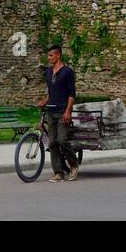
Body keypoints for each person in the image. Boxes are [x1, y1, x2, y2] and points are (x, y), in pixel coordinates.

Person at [36, 44, 78, 182]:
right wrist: (45, 101)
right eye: (48, 56)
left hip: (62, 111)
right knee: (52, 143)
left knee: (62, 140)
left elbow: (72, 94)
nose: (49, 58)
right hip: (51, 111)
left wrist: (68, 111)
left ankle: (73, 164)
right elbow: (51, 92)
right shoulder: (48, 72)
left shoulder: (67, 72)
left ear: (58, 55)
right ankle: (58, 172)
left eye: (51, 55)